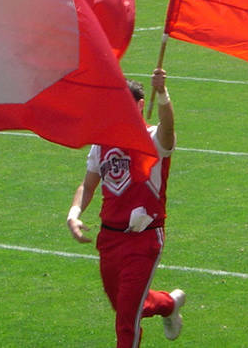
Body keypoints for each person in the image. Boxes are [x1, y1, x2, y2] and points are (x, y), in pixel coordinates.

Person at [66, 69, 185, 347]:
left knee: (125, 324)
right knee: (126, 308)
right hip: (109, 239)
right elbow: (88, 185)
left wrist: (163, 94)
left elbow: (168, 129)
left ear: (140, 105)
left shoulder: (153, 138)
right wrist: (74, 214)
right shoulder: (101, 144)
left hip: (143, 240)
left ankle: (164, 307)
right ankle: (168, 304)